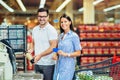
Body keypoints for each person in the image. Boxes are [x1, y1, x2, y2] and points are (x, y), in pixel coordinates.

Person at [28, 8, 58, 80]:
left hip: (48, 64)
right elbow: (33, 42)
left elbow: (53, 47)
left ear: (48, 17)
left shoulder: (51, 30)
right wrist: (31, 49)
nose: (42, 18)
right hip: (37, 63)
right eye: (40, 16)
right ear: (37, 17)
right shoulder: (35, 29)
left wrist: (40, 55)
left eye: (44, 16)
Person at [53, 14, 82, 80]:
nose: (63, 24)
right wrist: (54, 53)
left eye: (65, 21)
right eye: (62, 22)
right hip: (58, 65)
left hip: (68, 66)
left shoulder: (74, 36)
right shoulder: (60, 36)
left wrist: (66, 54)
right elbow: (56, 47)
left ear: (70, 22)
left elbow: (78, 53)